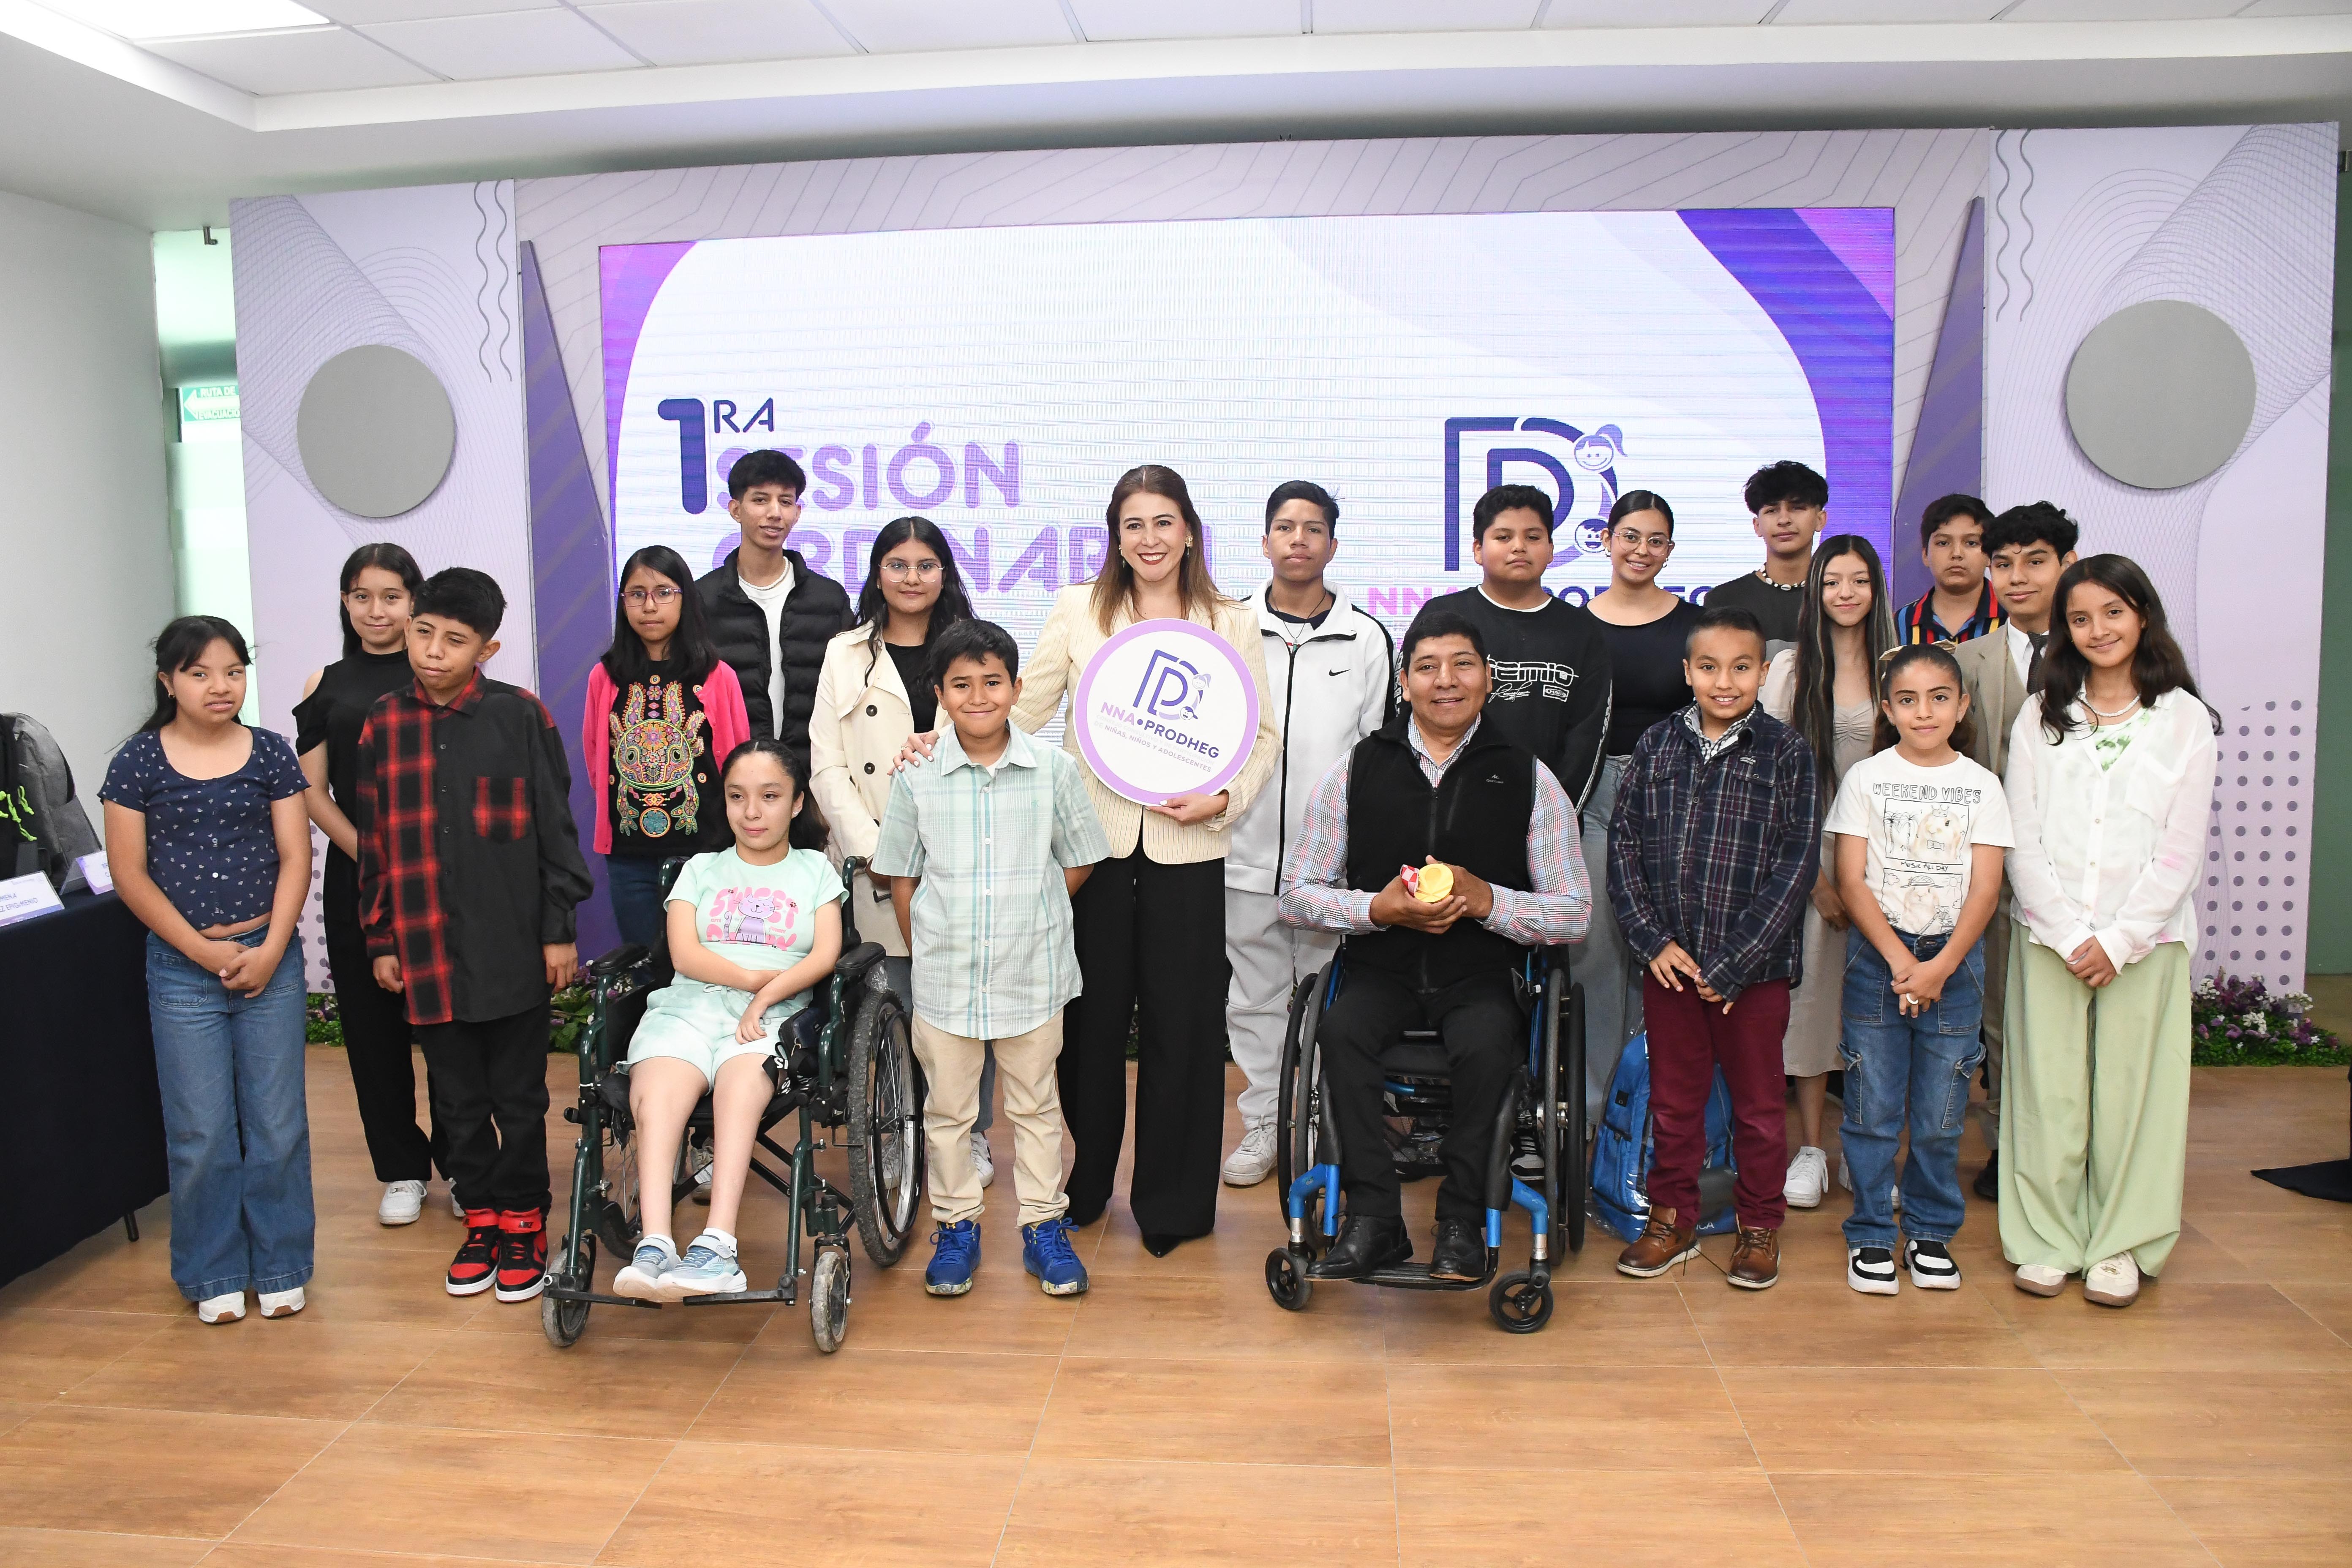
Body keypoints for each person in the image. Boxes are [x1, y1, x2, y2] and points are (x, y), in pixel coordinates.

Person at [906, 465, 1278, 1255]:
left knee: (1183, 1027)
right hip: (1090, 850)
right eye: (1133, 524)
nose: (1149, 538)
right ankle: (1084, 1184)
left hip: (1189, 847)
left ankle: (1173, 1205)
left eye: (1163, 522)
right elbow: (1024, 703)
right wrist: (937, 739)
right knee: (1087, 1024)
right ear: (1116, 535)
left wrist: (1223, 798)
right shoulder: (1079, 608)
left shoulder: (1230, 619)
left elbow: (1262, 736)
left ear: (1189, 531)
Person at [1275, 607, 1591, 1280]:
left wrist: (1488, 900)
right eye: (1427, 667)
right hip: (1379, 970)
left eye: (1462, 665)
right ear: (1404, 682)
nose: (1445, 681)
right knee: (1340, 1033)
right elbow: (1297, 895)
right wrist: (1377, 908)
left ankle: (1463, 1221)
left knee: (1488, 1044)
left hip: (1481, 976)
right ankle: (1373, 1219)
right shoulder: (1357, 770)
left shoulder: (1530, 778)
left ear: (1490, 679)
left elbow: (1574, 913)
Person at [357, 568, 594, 1304]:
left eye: (454, 641)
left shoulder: (520, 716)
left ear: (486, 648)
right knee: (456, 1100)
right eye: (423, 633)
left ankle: (525, 1222)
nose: (433, 651)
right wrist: (381, 939)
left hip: (512, 945)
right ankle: (482, 1220)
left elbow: (556, 830)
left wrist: (558, 930)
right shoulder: (382, 724)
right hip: (424, 947)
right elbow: (374, 843)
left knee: (518, 1098)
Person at [2001, 555, 2216, 1309]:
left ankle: (2121, 1242)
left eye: (2113, 613)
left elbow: (2181, 850)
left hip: (2145, 944)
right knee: (2047, 1096)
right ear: (2064, 629)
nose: (2098, 630)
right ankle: (2047, 1238)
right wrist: (2067, 933)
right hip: (2049, 938)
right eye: (2080, 618)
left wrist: (2120, 940)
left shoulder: (2184, 718)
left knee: (2134, 1098)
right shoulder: (2041, 714)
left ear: (2142, 615)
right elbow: (2021, 836)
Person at [872, 621, 1111, 1297]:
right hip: (946, 978)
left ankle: (1043, 1227)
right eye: (961, 685)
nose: (978, 697)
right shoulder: (918, 775)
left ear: (1017, 687)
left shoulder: (1054, 770)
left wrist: (1034, 912)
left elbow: (1081, 857)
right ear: (940, 694)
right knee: (949, 1113)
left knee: (1036, 1108)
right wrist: (927, 945)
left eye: (992, 682)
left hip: (1032, 974)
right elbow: (901, 872)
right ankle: (956, 1228)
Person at [102, 617, 315, 1323]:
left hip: (269, 958)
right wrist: (202, 952)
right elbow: (129, 875)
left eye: (233, 671)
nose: (220, 686)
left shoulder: (271, 752)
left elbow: (296, 856)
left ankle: (281, 1264)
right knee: (201, 1132)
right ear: (168, 682)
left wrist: (271, 948)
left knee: (278, 1123)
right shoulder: (137, 763)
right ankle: (213, 1270)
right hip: (182, 967)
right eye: (199, 673)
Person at [1609, 606, 1820, 1290]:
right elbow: (1623, 848)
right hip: (1670, 968)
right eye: (1708, 667)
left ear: (1764, 672)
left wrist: (1734, 964)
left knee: (1758, 1108)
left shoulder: (1787, 752)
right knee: (1674, 1104)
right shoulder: (1655, 746)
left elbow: (1796, 865)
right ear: (1687, 672)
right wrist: (1651, 941)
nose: (1724, 681)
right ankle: (1670, 1219)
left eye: (1740, 667)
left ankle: (1759, 1226)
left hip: (1752, 975)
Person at [612, 740, 844, 1300]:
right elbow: (685, 955)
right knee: (658, 1092)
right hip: (689, 1007)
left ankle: (718, 1247)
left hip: (775, 1016)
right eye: (738, 797)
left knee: (741, 1088)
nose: (752, 811)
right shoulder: (700, 869)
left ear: (797, 802)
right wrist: (752, 980)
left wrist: (766, 999)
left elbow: (824, 956)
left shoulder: (815, 871)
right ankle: (655, 1243)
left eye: (770, 796)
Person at [809, 517, 1000, 1184]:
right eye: (898, 565)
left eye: (926, 565)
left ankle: (970, 1134)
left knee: (967, 1010)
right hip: (874, 867)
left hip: (961, 857)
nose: (912, 578)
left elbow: (999, 740)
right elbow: (827, 767)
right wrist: (877, 851)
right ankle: (896, 1131)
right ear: (877, 574)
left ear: (945, 573)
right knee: (890, 1008)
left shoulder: (975, 647)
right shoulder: (844, 653)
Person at [1220, 479, 1393, 1188]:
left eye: (1313, 528)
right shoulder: (1228, 628)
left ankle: (1319, 1119)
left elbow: (1379, 754)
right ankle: (1266, 1121)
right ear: (1265, 542)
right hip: (1241, 851)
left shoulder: (1366, 636)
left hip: (1331, 866)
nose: (1299, 539)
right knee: (1253, 1000)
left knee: (1329, 999)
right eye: (1286, 527)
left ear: (1332, 543)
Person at [1828, 643, 2012, 1295]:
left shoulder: (1983, 786)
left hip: (1955, 962)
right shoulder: (1866, 779)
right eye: (1908, 700)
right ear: (1887, 709)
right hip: (1878, 957)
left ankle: (1931, 1232)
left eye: (1939, 698)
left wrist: (1941, 966)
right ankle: (1873, 1234)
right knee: (1872, 1109)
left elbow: (1986, 889)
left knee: (1940, 1115)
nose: (1924, 712)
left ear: (1962, 706)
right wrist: (1904, 961)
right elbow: (1851, 880)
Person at [294, 543, 452, 1228]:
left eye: (391, 597)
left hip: (442, 873)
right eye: (362, 597)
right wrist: (371, 853)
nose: (377, 611)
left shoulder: (438, 671)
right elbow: (311, 788)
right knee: (370, 1025)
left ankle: (463, 1163)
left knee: (449, 1024)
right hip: (357, 870)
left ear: (414, 600)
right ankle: (400, 1169)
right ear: (345, 602)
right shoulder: (324, 683)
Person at [1760, 536, 1895, 1209]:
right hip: (1807, 866)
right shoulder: (1789, 670)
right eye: (1833, 581)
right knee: (1811, 1009)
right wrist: (1815, 880)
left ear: (1877, 590)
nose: (1846, 593)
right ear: (1815, 590)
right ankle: (1811, 1148)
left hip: (1889, 868)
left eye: (1859, 581)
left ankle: (1868, 1151)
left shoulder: (1899, 667)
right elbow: (1769, 780)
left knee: (1878, 1013)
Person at [1955, 502, 2078, 1201]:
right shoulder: (1966, 662)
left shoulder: (2100, 652)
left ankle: (2075, 1149)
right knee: (2001, 1016)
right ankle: (2008, 1147)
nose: (2016, 577)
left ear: (2067, 564)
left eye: (2034, 561)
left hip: (2082, 874)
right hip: (1995, 875)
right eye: (2002, 564)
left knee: (2068, 1017)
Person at [1576, 490, 1700, 1114]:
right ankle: (1598, 1113)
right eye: (1630, 536)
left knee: (1670, 954)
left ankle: (1662, 1114)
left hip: (1675, 799)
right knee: (1598, 953)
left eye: (1656, 540)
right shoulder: (1576, 626)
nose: (1642, 550)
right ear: (1606, 540)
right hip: (1595, 797)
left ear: (1670, 550)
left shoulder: (1694, 626)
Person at [583, 545, 751, 949]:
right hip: (629, 856)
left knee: (708, 963)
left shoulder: (717, 675)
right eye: (636, 594)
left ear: (685, 598)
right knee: (644, 963)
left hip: (705, 853)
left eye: (663, 593)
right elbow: (596, 761)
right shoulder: (605, 676)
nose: (649, 606)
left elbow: (740, 763)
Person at [1424, 483, 1612, 811]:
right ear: (1478, 549)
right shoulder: (1442, 617)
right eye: (1503, 537)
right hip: (1446, 809)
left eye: (1533, 537)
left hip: (1547, 818)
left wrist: (1555, 817)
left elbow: (1588, 741)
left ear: (1551, 550)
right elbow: (1411, 712)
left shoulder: (1582, 631)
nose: (1519, 547)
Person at [695, 449, 853, 763]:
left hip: (813, 772)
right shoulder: (702, 599)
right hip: (731, 773)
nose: (775, 513)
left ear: (798, 511)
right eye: (760, 500)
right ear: (735, 509)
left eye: (786, 501)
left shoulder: (828, 599)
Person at [1703, 461, 1827, 650]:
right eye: (1772, 511)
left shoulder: (1841, 597)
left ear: (1820, 520)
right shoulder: (1724, 601)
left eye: (1797, 508)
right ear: (1757, 526)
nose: (1784, 520)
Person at [1897, 494, 2004, 644]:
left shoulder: (2013, 617)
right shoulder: (1899, 623)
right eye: (1943, 543)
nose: (1957, 554)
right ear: (1925, 554)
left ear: (1989, 555)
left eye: (1971, 543)